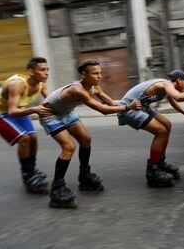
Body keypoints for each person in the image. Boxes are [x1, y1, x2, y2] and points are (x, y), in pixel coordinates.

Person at [40, 59, 141, 208]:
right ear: (83, 75)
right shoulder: (77, 90)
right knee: (69, 147)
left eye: (100, 73)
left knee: (86, 139)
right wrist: (128, 108)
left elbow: (111, 103)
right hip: (50, 114)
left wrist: (133, 103)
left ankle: (84, 175)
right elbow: (103, 110)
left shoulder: (95, 87)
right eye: (95, 73)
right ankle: (57, 188)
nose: (99, 76)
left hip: (66, 112)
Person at [117, 70, 184, 188]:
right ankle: (153, 172)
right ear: (179, 80)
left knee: (167, 125)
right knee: (160, 131)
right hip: (129, 108)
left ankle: (159, 162)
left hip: (142, 107)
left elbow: (174, 102)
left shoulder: (167, 88)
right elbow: (178, 97)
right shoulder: (165, 84)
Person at [0, 57, 51, 194]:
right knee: (24, 139)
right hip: (2, 112)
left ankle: (32, 170)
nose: (46, 73)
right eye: (42, 70)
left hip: (18, 109)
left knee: (33, 137)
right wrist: (34, 109)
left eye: (47, 70)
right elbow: (11, 111)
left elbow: (52, 101)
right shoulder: (18, 84)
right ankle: (27, 175)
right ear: (30, 72)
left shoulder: (41, 84)